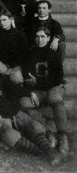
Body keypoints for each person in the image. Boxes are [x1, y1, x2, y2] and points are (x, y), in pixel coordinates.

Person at [0, 51, 66, 166]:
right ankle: (41, 153)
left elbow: (14, 88)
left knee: (35, 126)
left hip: (12, 109)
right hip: (0, 116)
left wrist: (30, 93)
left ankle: (52, 154)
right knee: (11, 136)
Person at [20, 26, 69, 156]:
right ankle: (48, 132)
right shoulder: (30, 52)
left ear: (48, 38)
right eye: (37, 36)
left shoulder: (54, 51)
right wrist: (31, 91)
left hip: (54, 87)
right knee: (25, 103)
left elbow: (58, 78)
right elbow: (26, 77)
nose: (39, 39)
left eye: (42, 36)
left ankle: (63, 136)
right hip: (38, 91)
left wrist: (38, 82)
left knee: (55, 99)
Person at [0, 10, 28, 84]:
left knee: (16, 78)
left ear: (11, 20)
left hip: (16, 65)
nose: (2, 23)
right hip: (0, 64)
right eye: (0, 21)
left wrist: (11, 68)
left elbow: (23, 55)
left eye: (4, 20)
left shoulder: (20, 35)